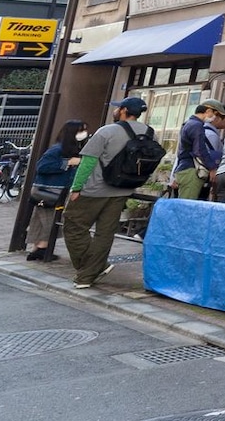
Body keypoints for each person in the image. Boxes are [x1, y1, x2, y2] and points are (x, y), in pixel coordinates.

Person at [62, 96, 163, 289]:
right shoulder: (150, 133)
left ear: (124, 110)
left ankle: (91, 269)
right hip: (123, 189)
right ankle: (87, 276)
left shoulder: (107, 131)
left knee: (74, 226)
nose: (115, 110)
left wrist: (76, 188)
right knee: (105, 234)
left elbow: (88, 163)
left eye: (118, 108)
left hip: (94, 189)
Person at [25, 120, 87, 261]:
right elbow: (42, 166)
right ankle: (42, 248)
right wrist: (68, 163)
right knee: (50, 220)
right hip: (49, 191)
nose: (84, 133)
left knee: (41, 219)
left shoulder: (65, 149)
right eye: (81, 130)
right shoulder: (58, 149)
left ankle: (37, 248)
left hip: (48, 189)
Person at [171, 101, 224, 201]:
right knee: (187, 206)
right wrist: (212, 168)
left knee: (184, 203)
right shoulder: (197, 125)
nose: (215, 118)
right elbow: (199, 150)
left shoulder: (188, 123)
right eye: (215, 114)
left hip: (184, 168)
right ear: (208, 111)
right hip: (192, 171)